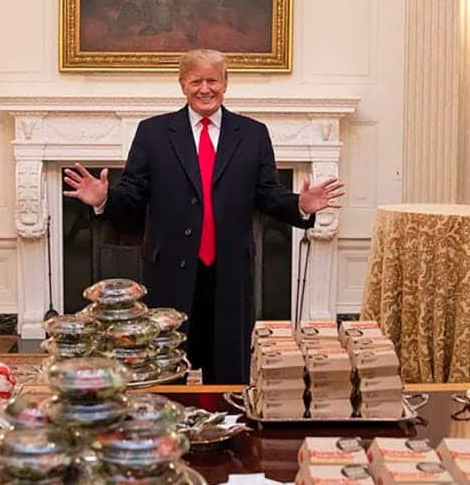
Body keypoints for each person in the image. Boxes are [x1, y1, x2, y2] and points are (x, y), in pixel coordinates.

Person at [63, 49, 344, 383]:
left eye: (213, 80)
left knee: (228, 371)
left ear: (225, 83)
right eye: (196, 81)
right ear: (183, 84)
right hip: (169, 270)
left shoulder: (253, 134)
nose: (205, 89)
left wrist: (300, 204)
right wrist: (105, 199)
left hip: (230, 271)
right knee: (166, 368)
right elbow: (134, 196)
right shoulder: (153, 133)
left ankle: (227, 428)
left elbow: (267, 194)